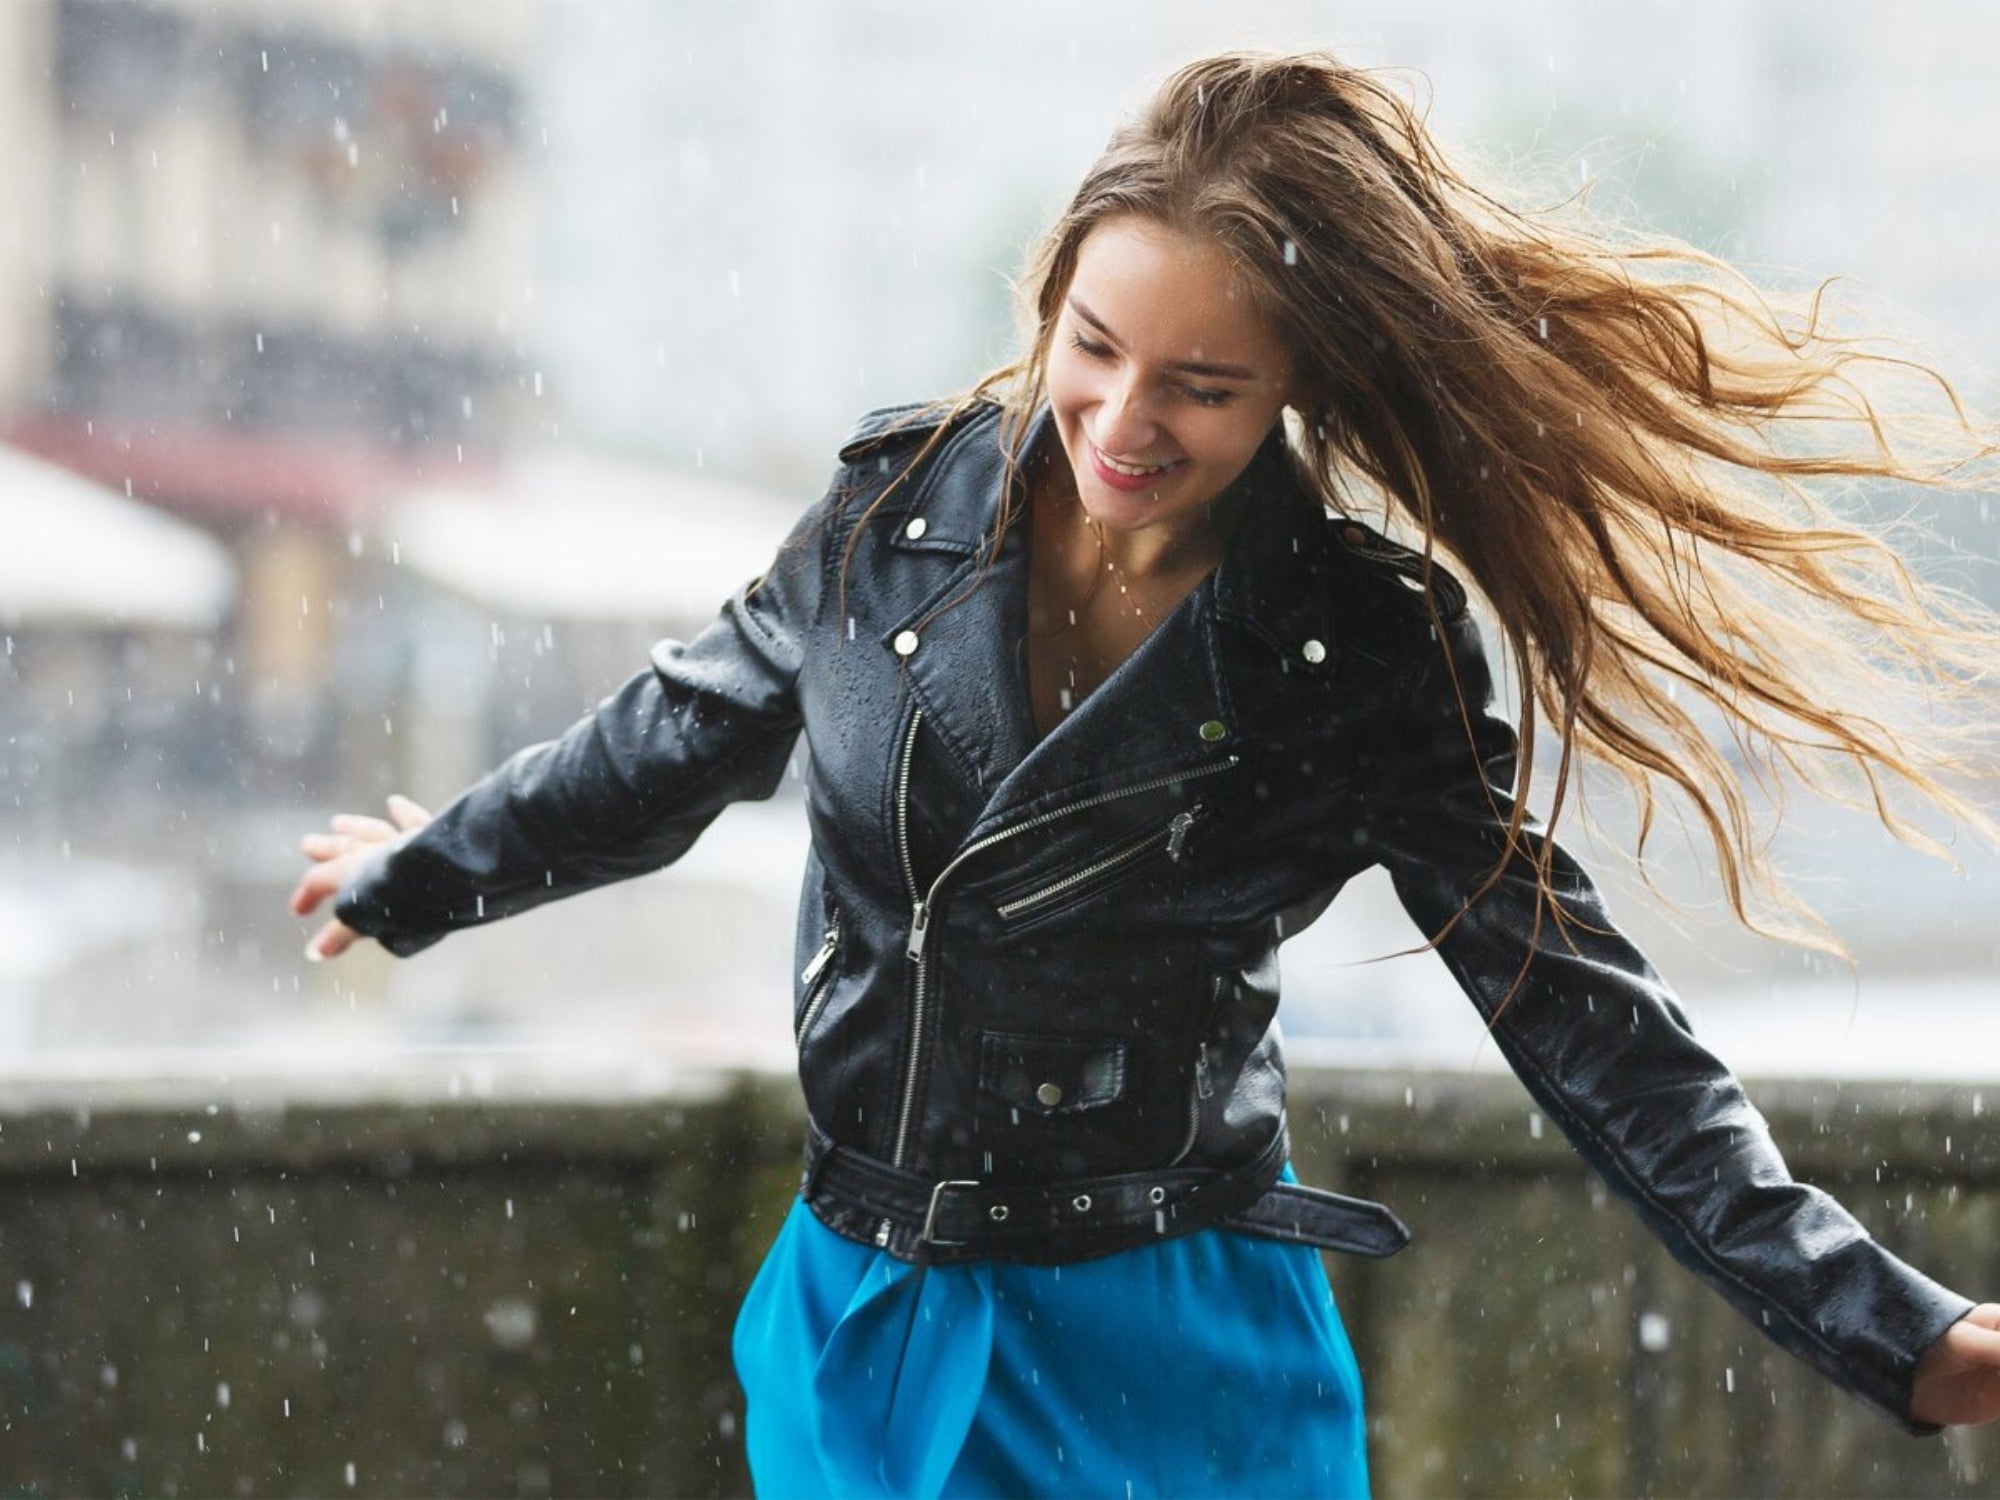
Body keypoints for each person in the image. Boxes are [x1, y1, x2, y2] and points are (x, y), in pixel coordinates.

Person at [290, 49, 2000, 1498]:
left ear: (1294, 392)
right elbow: (671, 741)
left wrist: (1886, 1328)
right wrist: (428, 869)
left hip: (1174, 1345)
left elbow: (1575, 1006)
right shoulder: (891, 524)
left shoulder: (1351, 645)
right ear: (1050, 294)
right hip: (870, 1320)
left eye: (1201, 386)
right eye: (1093, 343)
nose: (1120, 419)